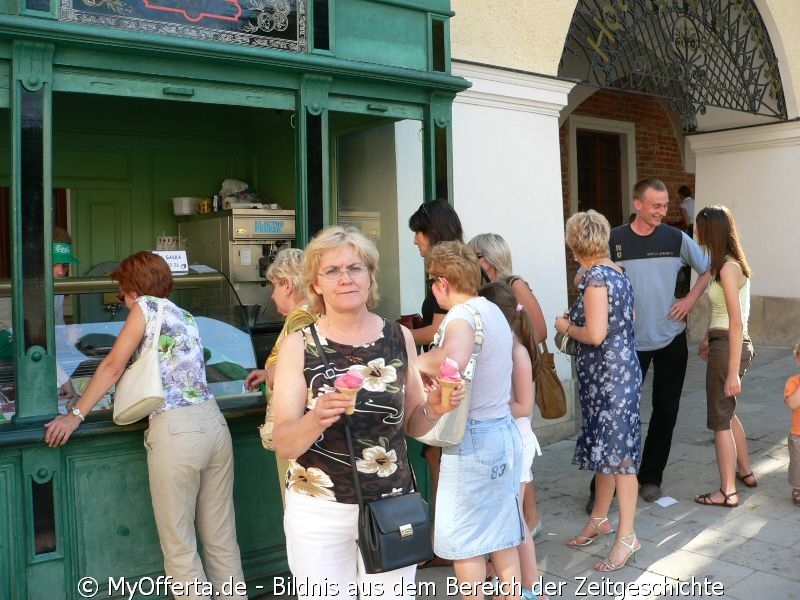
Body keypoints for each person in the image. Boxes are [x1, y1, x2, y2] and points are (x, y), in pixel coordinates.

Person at [271, 226, 462, 599]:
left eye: (355, 268)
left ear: (370, 275)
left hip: (390, 505)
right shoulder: (300, 345)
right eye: (332, 271)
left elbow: (411, 422)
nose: (345, 278)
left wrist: (436, 408)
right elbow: (284, 442)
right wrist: (317, 417)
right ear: (316, 283)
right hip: (319, 511)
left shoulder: (398, 337)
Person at [44, 251, 247, 598]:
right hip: (214, 424)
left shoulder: (145, 308)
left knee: (180, 545)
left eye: (122, 291)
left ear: (132, 287)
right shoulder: (185, 315)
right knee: (221, 539)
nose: (122, 301)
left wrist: (75, 414)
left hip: (177, 430)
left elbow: (112, 365)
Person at [586, 178, 712, 512]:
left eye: (665, 205)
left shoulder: (676, 238)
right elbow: (589, 274)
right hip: (626, 344)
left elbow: (708, 269)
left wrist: (689, 300)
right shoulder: (614, 239)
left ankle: (651, 477)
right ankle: (600, 490)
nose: (662, 211)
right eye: (656, 205)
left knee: (666, 411)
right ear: (638, 204)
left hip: (670, 338)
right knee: (617, 416)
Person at [417, 241, 523, 600]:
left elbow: (451, 362)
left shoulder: (461, 316)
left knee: (468, 544)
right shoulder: (491, 309)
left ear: (442, 283)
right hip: (502, 431)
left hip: (475, 439)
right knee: (502, 537)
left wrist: (410, 361)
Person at [555, 210, 642, 572]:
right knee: (608, 450)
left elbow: (594, 334)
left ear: (574, 243)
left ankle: (627, 537)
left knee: (619, 457)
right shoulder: (616, 273)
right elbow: (630, 320)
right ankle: (599, 518)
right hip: (618, 371)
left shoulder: (595, 279)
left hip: (607, 377)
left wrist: (564, 325)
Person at [468, 232, 547, 536]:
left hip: (517, 378)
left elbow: (537, 330)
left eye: (472, 256)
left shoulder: (514, 286)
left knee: (519, 448)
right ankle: (527, 518)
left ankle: (526, 519)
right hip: (506, 377)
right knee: (517, 457)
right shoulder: (485, 290)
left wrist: (509, 350)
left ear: (484, 259)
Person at [479, 281, 546, 600]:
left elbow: (524, 407)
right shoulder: (501, 347)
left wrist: (486, 401)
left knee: (514, 521)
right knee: (508, 518)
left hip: (517, 441)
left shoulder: (517, 351)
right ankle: (517, 582)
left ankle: (531, 587)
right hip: (505, 439)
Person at [407, 198, 464, 567]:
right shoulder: (463, 263)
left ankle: (446, 543)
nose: (415, 241)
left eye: (418, 233)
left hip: (447, 378)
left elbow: (442, 326)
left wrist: (399, 333)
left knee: (437, 455)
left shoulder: (444, 273)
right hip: (454, 379)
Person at [694, 206, 755, 508]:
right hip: (723, 342)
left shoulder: (728, 269)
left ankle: (728, 491)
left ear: (711, 232)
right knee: (727, 413)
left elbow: (736, 321)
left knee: (719, 421)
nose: (696, 233)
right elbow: (724, 315)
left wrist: (732, 371)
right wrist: (707, 336)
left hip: (729, 347)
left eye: (699, 228)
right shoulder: (726, 265)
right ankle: (745, 471)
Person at [245, 248, 316, 507]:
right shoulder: (317, 313)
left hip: (294, 427)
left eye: (274, 286)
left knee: (296, 505)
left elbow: (296, 365)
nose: (272, 294)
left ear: (288, 285)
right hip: (307, 423)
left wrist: (274, 371)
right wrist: (268, 372)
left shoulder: (300, 317)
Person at [784, 341, 800, 507]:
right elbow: (792, 404)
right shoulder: (793, 382)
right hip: (798, 433)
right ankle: (798, 488)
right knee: (798, 465)